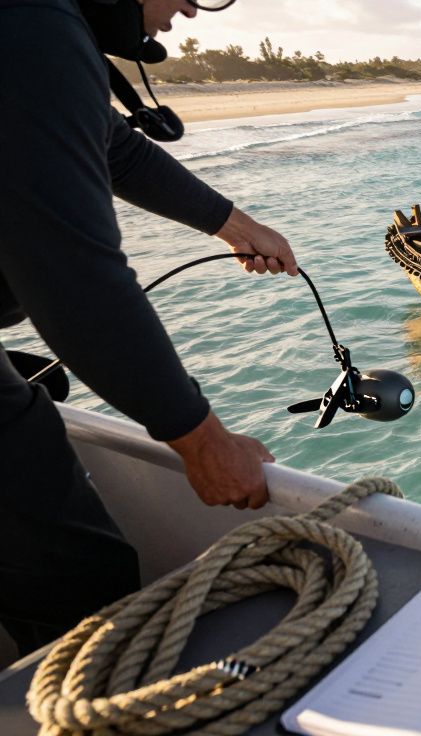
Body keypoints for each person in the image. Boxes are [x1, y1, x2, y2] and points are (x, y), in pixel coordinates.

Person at [0, 0, 295, 654]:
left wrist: (233, 225)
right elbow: (74, 277)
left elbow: (113, 146)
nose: (192, 7)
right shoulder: (30, 28)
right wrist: (202, 441)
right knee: (75, 572)